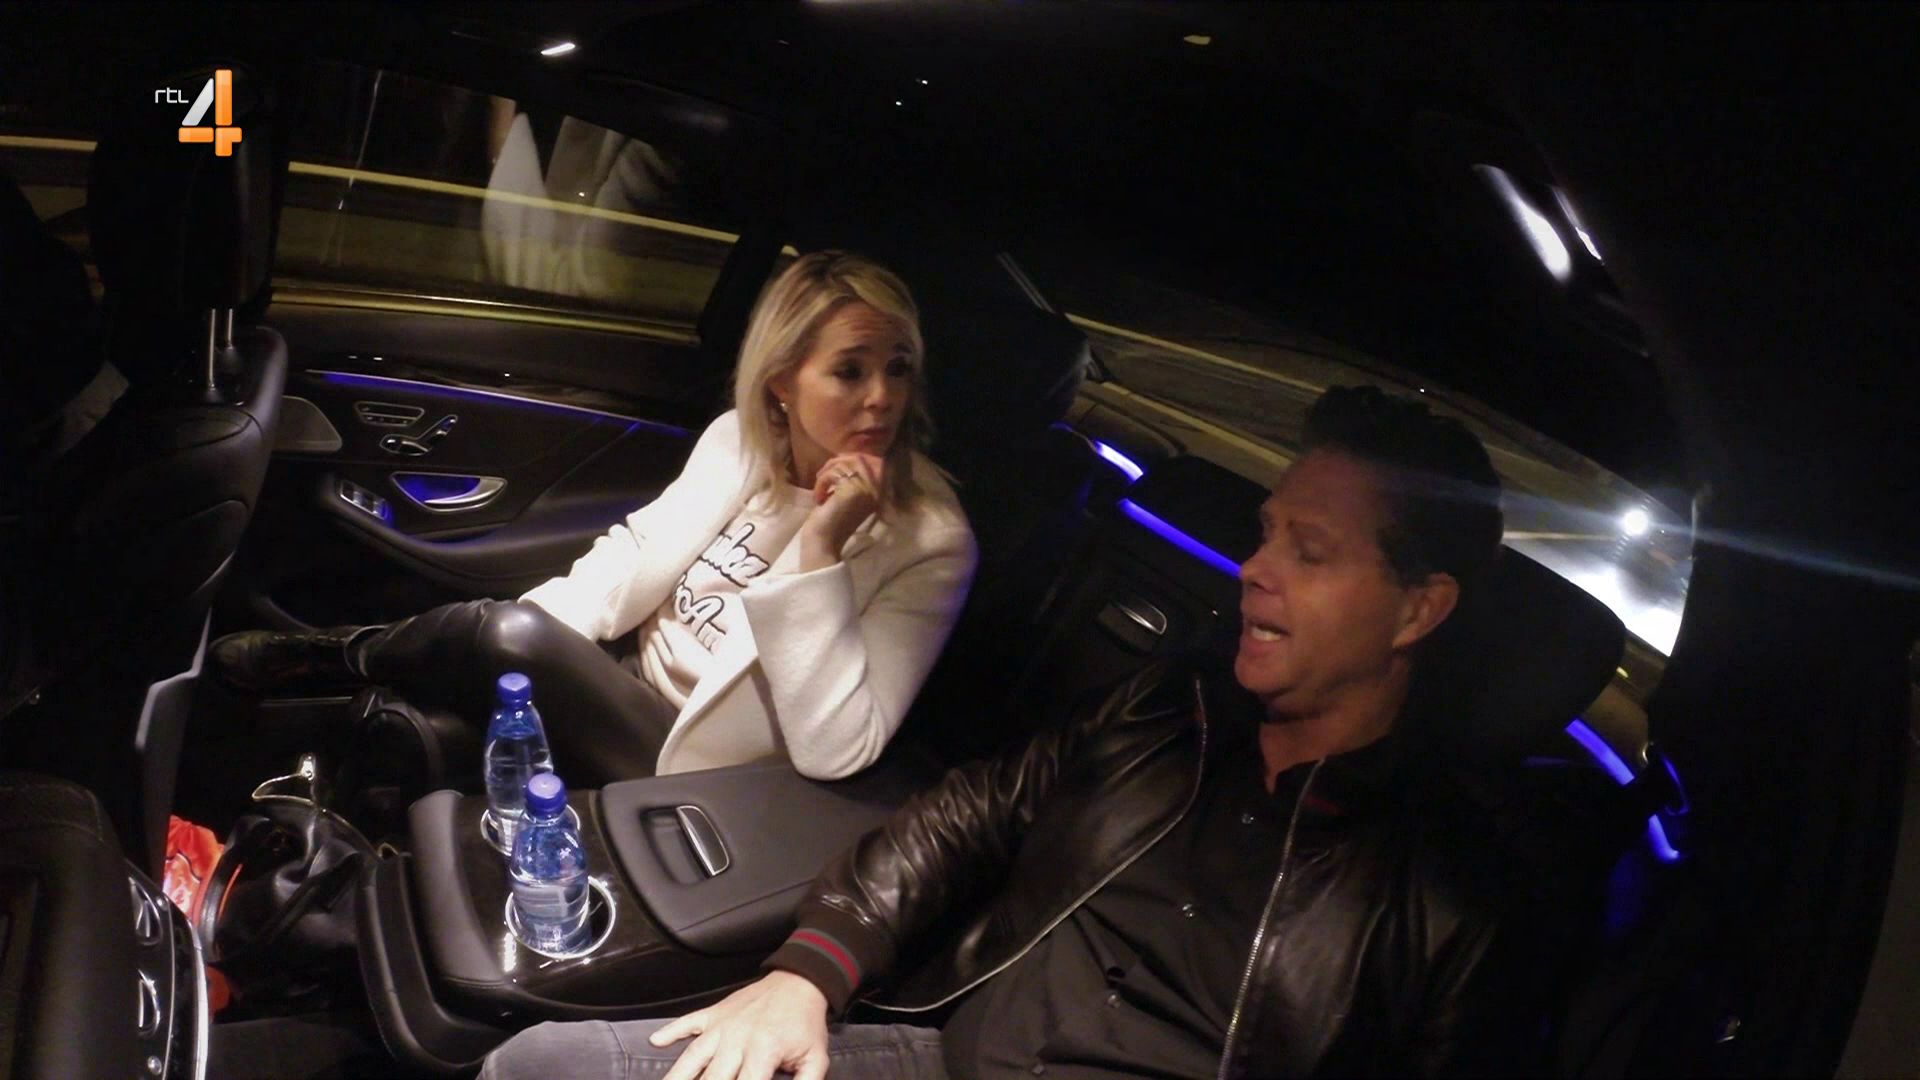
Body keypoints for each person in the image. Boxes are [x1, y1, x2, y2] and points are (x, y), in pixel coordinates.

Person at [479, 384, 1545, 1079]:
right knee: (542, 1069)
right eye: (1265, 536)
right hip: (948, 1061)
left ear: (1418, 610)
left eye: (1309, 553)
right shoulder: (1167, 709)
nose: (1254, 570)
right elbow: (968, 813)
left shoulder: (1455, 894)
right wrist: (808, 973)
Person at [211, 252, 977, 782]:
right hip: (621, 677)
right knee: (417, 726)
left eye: (898, 368)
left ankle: (334, 653)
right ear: (782, 381)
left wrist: (821, 550)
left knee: (501, 637)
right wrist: (546, 635)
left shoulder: (929, 540)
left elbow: (838, 749)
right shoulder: (741, 442)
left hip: (695, 756)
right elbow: (633, 554)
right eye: (850, 371)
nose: (881, 398)